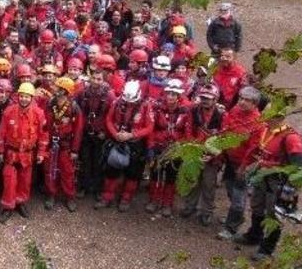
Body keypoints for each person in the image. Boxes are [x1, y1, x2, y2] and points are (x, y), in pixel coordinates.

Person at [233, 110, 302, 262]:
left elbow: (297, 165)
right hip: (262, 176)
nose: (264, 118)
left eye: (269, 116)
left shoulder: (291, 137)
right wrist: (245, 165)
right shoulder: (266, 129)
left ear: (279, 117)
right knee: (257, 206)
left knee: (274, 214)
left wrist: (290, 189)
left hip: (278, 181)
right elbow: (257, 149)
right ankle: (254, 235)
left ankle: (266, 249)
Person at [217, 86, 267, 241]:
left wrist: (243, 167)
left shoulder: (258, 123)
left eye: (247, 100)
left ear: (255, 104)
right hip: (230, 160)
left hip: (244, 166)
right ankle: (235, 217)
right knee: (230, 189)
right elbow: (226, 130)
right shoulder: (234, 111)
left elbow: (253, 149)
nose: (242, 102)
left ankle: (231, 228)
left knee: (239, 197)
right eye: (241, 98)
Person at [95, 80, 154, 212]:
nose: (128, 103)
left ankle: (126, 199)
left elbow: (149, 127)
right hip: (117, 140)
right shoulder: (117, 102)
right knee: (111, 169)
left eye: (131, 101)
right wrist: (115, 134)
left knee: (133, 174)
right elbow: (109, 119)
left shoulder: (146, 106)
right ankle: (107, 196)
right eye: (126, 100)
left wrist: (132, 134)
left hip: (135, 143)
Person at [0, 83, 49, 223]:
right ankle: (8, 206)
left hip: (28, 154)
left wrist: (41, 153)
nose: (24, 99)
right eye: (22, 96)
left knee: (25, 181)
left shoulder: (39, 113)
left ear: (31, 97)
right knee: (9, 181)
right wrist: (0, 151)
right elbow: (1, 133)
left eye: (27, 96)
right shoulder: (9, 111)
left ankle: (20, 202)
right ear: (18, 96)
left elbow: (43, 134)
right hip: (11, 153)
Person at [144, 79, 191, 217]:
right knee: (155, 175)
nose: (170, 96)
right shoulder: (157, 108)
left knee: (171, 177)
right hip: (158, 147)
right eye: (169, 93)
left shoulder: (185, 111)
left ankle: (167, 203)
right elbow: (151, 129)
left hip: (175, 148)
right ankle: (154, 200)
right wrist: (151, 147)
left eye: (174, 94)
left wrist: (182, 147)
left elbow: (187, 131)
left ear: (179, 96)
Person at [181, 83, 226, 226]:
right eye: (203, 97)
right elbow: (188, 130)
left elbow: (223, 138)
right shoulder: (193, 111)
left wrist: (213, 156)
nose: (205, 100)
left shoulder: (222, 115)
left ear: (215, 99)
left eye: (208, 98)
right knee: (193, 181)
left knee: (208, 184)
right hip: (195, 151)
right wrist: (193, 150)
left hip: (211, 156)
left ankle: (206, 212)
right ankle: (190, 206)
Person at [42, 77, 84, 212]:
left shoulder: (74, 108)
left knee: (68, 172)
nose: (54, 88)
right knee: (49, 171)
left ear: (64, 91)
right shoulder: (50, 104)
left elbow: (78, 130)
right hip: (50, 143)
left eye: (57, 87)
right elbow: (45, 125)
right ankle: (51, 194)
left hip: (66, 145)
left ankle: (70, 196)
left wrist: (75, 150)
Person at [77, 71, 114, 198]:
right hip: (86, 132)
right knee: (85, 161)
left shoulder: (109, 96)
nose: (96, 81)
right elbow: (76, 110)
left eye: (99, 79)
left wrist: (106, 132)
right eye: (93, 78)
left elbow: (112, 116)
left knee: (99, 162)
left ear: (103, 80)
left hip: (100, 134)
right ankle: (84, 186)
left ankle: (98, 189)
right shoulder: (83, 93)